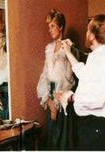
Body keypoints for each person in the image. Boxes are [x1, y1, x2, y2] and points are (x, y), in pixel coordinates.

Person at [56, 14, 105, 150]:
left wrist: (70, 97)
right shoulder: (104, 55)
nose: (86, 33)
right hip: (104, 127)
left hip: (99, 128)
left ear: (93, 35)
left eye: (88, 30)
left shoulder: (103, 57)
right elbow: (86, 75)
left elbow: (96, 99)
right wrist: (69, 53)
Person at [36, 9, 75, 150]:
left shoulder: (69, 46)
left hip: (63, 99)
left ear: (61, 27)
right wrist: (48, 99)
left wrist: (57, 103)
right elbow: (44, 74)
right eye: (49, 27)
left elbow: (69, 79)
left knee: (62, 139)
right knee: (52, 137)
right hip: (51, 95)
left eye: (52, 26)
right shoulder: (49, 48)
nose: (50, 30)